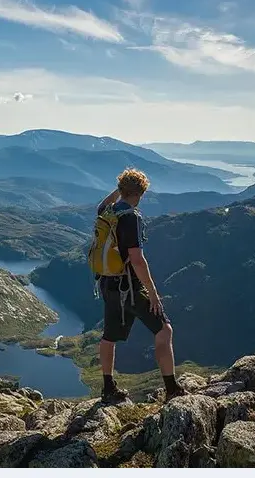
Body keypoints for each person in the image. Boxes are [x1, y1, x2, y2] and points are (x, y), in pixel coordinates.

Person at [95, 168, 186, 404]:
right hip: (130, 288)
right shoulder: (131, 218)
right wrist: (153, 294)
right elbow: (137, 259)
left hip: (107, 284)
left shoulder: (107, 212)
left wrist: (122, 187)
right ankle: (172, 388)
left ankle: (108, 388)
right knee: (164, 331)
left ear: (121, 190)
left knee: (109, 337)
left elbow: (102, 203)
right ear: (141, 193)